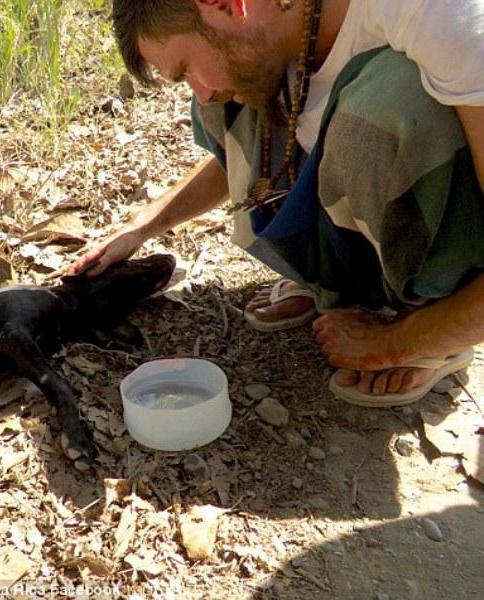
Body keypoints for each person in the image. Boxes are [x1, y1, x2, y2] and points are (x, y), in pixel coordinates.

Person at [68, 0, 484, 406]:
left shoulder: (438, 12)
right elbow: (236, 159)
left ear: (227, 4)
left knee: (382, 109)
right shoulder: (274, 26)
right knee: (232, 88)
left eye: (186, 69)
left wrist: (396, 344)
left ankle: (436, 319)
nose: (200, 93)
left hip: (446, 221)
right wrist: (144, 225)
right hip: (355, 193)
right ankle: (338, 287)